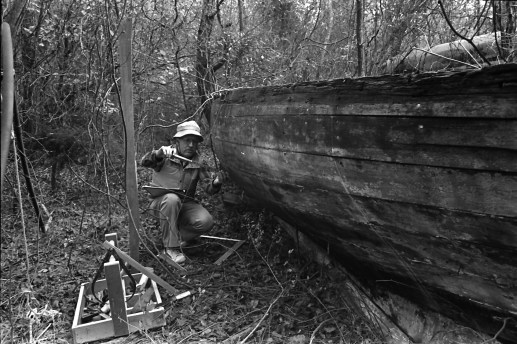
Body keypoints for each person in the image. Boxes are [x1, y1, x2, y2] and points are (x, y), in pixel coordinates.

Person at [140, 120, 223, 264]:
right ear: (177, 141)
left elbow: (208, 188)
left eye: (195, 141)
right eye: (187, 140)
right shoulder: (165, 154)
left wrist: (216, 183)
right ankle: (170, 249)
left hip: (185, 204)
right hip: (160, 204)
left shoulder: (198, 162)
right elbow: (145, 162)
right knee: (171, 199)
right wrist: (158, 154)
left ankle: (177, 237)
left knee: (206, 221)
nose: (191, 145)